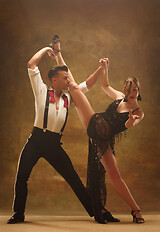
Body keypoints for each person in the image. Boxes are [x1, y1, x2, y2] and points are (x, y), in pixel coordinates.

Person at [7, 36, 105, 224]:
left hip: (53, 144)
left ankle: (96, 212)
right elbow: (31, 64)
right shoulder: (42, 91)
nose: (69, 79)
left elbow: (88, 84)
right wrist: (46, 49)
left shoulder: (70, 95)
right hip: (35, 141)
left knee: (74, 179)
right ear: (54, 80)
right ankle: (19, 213)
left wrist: (101, 69)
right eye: (65, 77)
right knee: (22, 177)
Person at [67, 56, 145, 224]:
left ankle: (136, 210)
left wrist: (130, 120)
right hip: (97, 124)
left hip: (105, 137)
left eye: (135, 90)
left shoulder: (138, 111)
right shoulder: (119, 96)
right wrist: (105, 69)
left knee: (114, 175)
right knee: (74, 89)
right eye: (129, 89)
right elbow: (105, 86)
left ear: (139, 90)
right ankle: (59, 58)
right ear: (125, 89)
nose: (132, 93)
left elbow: (132, 123)